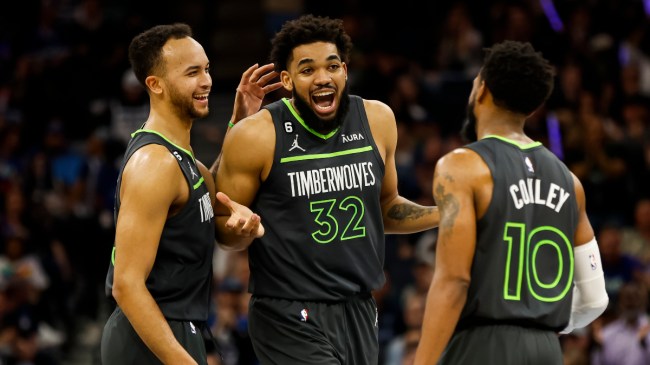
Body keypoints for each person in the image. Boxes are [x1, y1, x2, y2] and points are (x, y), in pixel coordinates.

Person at [213, 14, 439, 365]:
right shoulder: (256, 134)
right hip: (287, 310)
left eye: (332, 66)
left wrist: (445, 213)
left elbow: (384, 207)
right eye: (307, 70)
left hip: (359, 306)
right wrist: (239, 231)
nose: (322, 78)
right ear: (286, 80)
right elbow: (225, 232)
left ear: (345, 71)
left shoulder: (377, 120)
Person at [413, 40, 609, 365]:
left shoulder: (462, 166)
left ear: (482, 90)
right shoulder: (570, 182)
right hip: (547, 349)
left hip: (483, 346)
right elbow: (594, 299)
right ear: (531, 108)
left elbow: (454, 281)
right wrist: (537, 320)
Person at [100, 23, 281, 365]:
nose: (207, 81)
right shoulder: (154, 164)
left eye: (208, 69)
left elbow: (206, 189)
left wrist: (239, 122)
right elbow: (126, 284)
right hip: (147, 336)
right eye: (192, 72)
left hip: (178, 327)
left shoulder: (183, 162)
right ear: (155, 85)